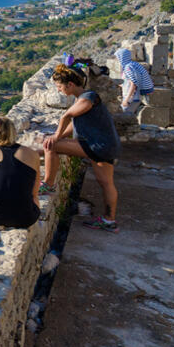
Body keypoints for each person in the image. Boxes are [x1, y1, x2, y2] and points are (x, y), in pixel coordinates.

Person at [42, 63, 121, 232]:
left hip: (97, 146)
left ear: (70, 84)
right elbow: (74, 123)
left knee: (52, 146)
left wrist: (55, 137)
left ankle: (48, 185)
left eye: (59, 86)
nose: (59, 90)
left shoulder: (88, 97)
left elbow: (67, 115)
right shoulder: (83, 99)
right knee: (106, 183)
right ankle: (109, 221)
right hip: (106, 146)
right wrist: (61, 134)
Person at [115, 47, 154, 113]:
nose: (117, 59)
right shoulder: (132, 64)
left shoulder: (128, 68)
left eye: (118, 57)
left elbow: (133, 84)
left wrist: (126, 100)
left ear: (122, 57)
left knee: (125, 114)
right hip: (133, 96)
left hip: (133, 98)